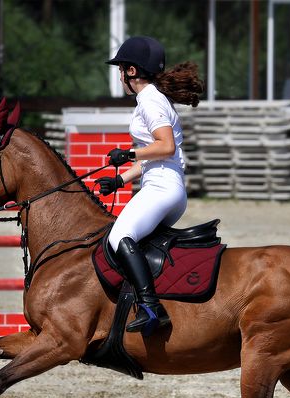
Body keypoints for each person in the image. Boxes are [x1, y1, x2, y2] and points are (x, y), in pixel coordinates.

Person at [97, 36, 203, 336]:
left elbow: (166, 146)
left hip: (162, 190)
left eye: (121, 70)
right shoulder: (152, 98)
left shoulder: (150, 100)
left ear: (132, 72)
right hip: (165, 187)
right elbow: (153, 158)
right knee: (135, 240)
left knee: (119, 237)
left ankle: (151, 308)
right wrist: (120, 179)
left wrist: (128, 153)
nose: (120, 76)